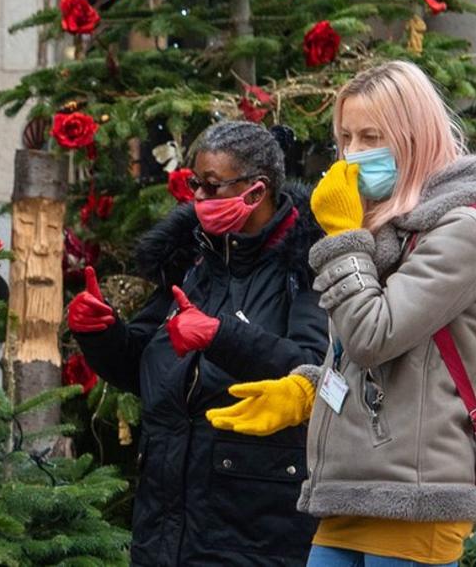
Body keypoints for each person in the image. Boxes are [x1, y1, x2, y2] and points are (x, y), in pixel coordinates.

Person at [207, 61, 476, 567]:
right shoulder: (384, 232)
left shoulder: (461, 231)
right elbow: (360, 353)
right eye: (346, 137)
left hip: (414, 499)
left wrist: (343, 240)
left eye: (373, 136)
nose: (354, 154)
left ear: (415, 138)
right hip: (347, 492)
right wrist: (308, 388)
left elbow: (373, 335)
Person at [68, 121, 328, 565]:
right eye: (195, 185)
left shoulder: (308, 263)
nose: (198, 200)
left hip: (255, 531)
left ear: (255, 190)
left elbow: (312, 371)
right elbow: (144, 367)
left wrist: (220, 335)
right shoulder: (191, 257)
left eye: (211, 186)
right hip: (164, 527)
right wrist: (101, 333)